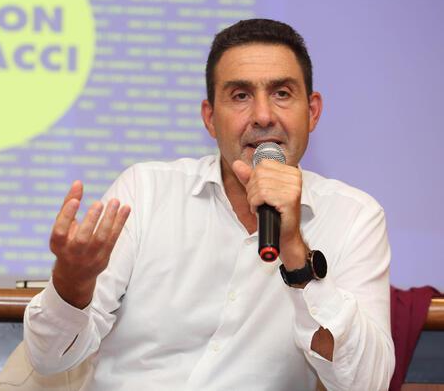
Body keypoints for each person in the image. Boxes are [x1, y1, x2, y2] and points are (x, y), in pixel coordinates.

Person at [23, 19, 395, 390]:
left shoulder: (355, 217)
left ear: (312, 112)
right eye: (240, 96)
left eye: (282, 93)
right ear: (210, 118)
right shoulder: (146, 191)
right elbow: (50, 358)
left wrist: (296, 251)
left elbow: (366, 384)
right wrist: (72, 283)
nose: (263, 116)